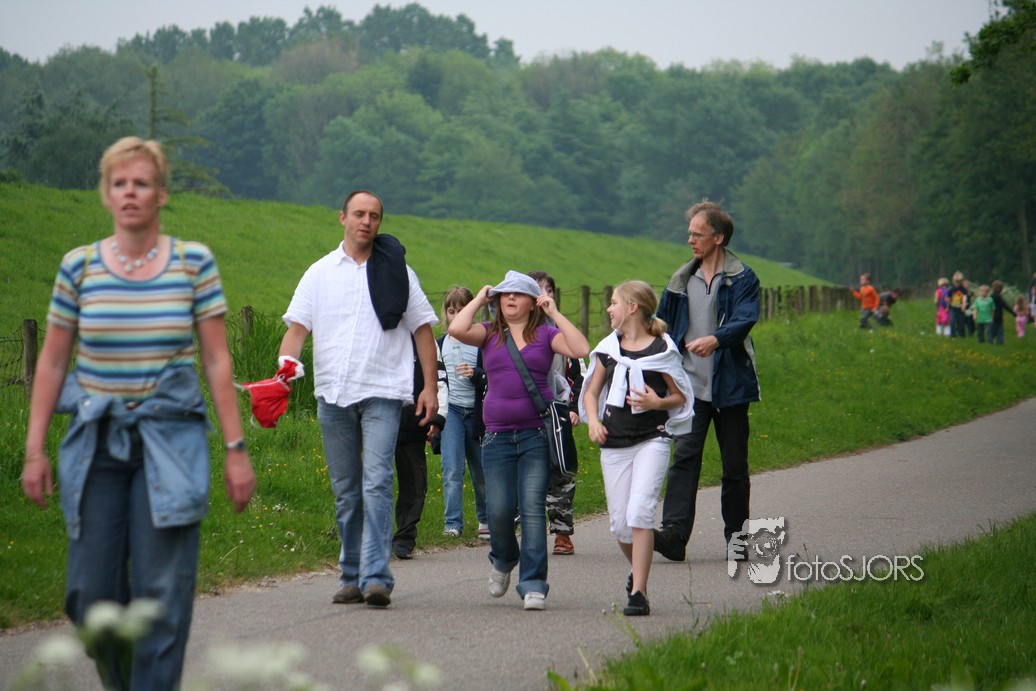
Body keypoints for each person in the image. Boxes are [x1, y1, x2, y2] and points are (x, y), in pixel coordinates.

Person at [21, 136, 256, 690]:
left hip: (170, 442)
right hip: (96, 443)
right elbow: (52, 362)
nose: (130, 192)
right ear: (106, 194)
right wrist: (34, 449)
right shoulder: (79, 267)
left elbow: (216, 359)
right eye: (120, 183)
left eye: (142, 183)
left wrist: (235, 449)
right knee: (91, 599)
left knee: (162, 596)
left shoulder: (192, 262)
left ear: (161, 195)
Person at [278, 190, 439, 609]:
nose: (366, 221)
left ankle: (376, 577)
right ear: (343, 218)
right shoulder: (320, 273)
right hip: (333, 393)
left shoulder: (398, 272)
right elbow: (297, 330)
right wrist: (284, 372)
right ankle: (351, 575)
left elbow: (423, 329)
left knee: (377, 480)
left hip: (383, 391)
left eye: (374, 216)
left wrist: (430, 387)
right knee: (347, 489)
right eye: (359, 214)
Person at [448, 271, 589, 611]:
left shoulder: (546, 334)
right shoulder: (488, 333)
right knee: (497, 511)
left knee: (531, 509)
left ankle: (534, 583)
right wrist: (479, 298)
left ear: (532, 302)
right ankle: (503, 558)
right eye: (504, 294)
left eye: (518, 293)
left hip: (535, 436)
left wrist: (554, 312)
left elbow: (581, 348)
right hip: (496, 437)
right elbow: (456, 329)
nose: (510, 298)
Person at [653, 199, 761, 563]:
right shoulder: (680, 281)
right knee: (684, 460)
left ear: (718, 237)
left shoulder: (743, 278)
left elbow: (745, 319)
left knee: (734, 467)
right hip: (689, 389)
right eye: (689, 234)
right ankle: (674, 535)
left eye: (697, 235)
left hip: (731, 387)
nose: (690, 240)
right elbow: (662, 326)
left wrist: (716, 339)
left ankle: (738, 541)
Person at [579, 280, 693, 616]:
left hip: (652, 440)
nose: (608, 308)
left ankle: (639, 592)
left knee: (640, 512)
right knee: (620, 525)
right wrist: (594, 421)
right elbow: (591, 393)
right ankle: (637, 572)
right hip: (614, 444)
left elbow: (679, 396)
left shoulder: (662, 349)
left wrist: (658, 402)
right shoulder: (608, 349)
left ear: (632, 308)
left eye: (614, 302)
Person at [528, 270, 585, 556]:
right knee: (527, 471)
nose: (544, 295)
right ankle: (529, 530)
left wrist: (573, 408)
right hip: (524, 411)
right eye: (538, 289)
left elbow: (577, 371)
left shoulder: (561, 331)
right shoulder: (516, 330)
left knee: (560, 471)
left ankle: (562, 533)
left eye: (549, 290)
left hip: (557, 410)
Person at [437, 286, 489, 540]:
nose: (456, 316)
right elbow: (434, 380)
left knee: (481, 471)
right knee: (452, 470)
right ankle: (453, 523)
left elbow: (493, 376)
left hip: (478, 415)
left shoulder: (481, 342)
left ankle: (485, 519)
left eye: (461, 310)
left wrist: (476, 374)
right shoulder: (440, 344)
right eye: (451, 311)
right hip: (452, 413)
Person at [391, 337, 448, 560]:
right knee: (376, 481)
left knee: (414, 482)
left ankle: (404, 538)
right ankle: (374, 537)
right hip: (377, 419)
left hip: (413, 421)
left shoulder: (424, 339)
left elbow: (439, 379)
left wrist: (437, 416)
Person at [989, 280, 1015, 346]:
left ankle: (990, 343)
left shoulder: (991, 296)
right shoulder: (998, 297)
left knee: (992, 331)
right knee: (1000, 331)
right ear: (1000, 289)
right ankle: (1000, 343)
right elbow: (1005, 305)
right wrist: (1013, 312)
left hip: (991, 316)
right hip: (998, 316)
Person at [948, 272, 969, 338]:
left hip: (960, 308)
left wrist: (963, 305)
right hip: (953, 308)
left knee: (961, 322)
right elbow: (949, 298)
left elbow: (965, 297)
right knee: (952, 321)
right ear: (954, 281)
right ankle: (952, 335)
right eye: (956, 282)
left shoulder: (963, 289)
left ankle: (961, 335)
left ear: (961, 282)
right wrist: (948, 306)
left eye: (959, 282)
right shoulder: (951, 289)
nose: (957, 283)